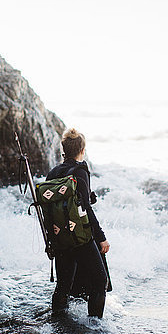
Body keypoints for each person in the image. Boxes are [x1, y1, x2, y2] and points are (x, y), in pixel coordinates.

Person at [46, 128, 110, 318]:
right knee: (100, 281)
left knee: (63, 285)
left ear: (63, 150)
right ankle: (95, 326)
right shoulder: (80, 172)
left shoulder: (53, 172)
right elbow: (86, 210)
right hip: (80, 238)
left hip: (59, 237)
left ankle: (57, 322)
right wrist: (101, 238)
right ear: (82, 149)